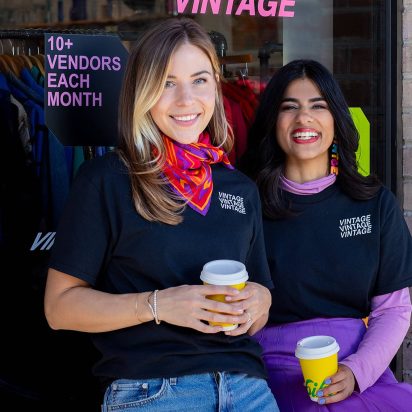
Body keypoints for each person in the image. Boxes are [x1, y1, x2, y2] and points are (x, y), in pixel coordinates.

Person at [44, 17, 279, 412]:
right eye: (167, 82)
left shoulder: (240, 188)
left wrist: (260, 302)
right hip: (153, 391)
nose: (187, 99)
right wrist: (158, 305)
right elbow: (59, 309)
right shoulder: (106, 181)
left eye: (200, 80)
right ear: (142, 90)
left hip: (249, 391)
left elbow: (258, 309)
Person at [240, 59, 412, 411]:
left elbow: (393, 310)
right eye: (290, 108)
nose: (304, 118)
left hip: (358, 367)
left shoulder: (375, 204)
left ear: (336, 119)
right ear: (273, 121)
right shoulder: (245, 204)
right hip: (268, 370)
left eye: (318, 106)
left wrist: (356, 371)